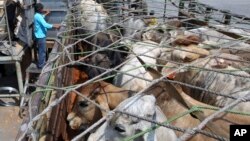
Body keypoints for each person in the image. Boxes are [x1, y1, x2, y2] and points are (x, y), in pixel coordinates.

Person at [34, 3, 60, 69]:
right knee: (42, 51)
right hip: (40, 37)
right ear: (39, 9)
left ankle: (42, 63)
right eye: (42, 8)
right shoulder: (38, 16)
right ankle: (41, 66)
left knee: (42, 50)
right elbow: (45, 25)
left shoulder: (37, 15)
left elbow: (41, 18)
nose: (43, 10)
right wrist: (55, 25)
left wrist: (46, 14)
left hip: (40, 36)